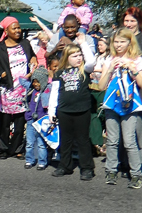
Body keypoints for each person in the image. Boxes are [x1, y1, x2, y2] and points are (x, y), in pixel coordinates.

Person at [97, 27, 142, 189]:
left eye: (122, 42)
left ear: (130, 42)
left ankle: (136, 173)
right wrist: (110, 69)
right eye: (116, 42)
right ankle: (111, 170)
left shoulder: (137, 59)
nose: (118, 45)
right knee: (112, 140)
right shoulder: (109, 59)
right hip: (112, 104)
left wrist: (133, 70)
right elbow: (101, 86)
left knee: (129, 141)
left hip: (130, 105)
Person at [47, 39, 96, 180]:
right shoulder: (59, 73)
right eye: (75, 56)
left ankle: (87, 168)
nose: (79, 58)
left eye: (80, 55)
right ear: (67, 57)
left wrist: (83, 43)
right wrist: (51, 111)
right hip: (64, 110)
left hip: (82, 110)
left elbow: (91, 62)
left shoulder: (84, 70)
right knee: (65, 140)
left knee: (83, 140)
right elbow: (54, 93)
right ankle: (65, 166)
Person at [0, 17, 37, 160]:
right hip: (6, 89)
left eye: (18, 27)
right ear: (6, 31)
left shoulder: (25, 43)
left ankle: (17, 148)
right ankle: (4, 148)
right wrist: (0, 73)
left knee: (20, 122)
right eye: (14, 28)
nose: (18, 30)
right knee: (5, 122)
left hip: (23, 89)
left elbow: (32, 56)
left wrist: (34, 58)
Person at [21, 67, 51, 170]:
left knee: (41, 143)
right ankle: (29, 160)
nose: (35, 84)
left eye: (38, 82)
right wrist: (30, 74)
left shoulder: (47, 90)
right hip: (31, 120)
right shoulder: (31, 89)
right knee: (29, 142)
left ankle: (42, 162)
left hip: (41, 121)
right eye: (34, 82)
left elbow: (55, 86)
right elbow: (21, 80)